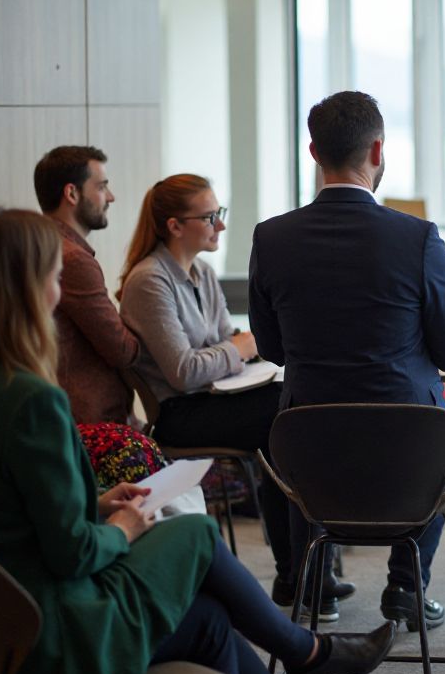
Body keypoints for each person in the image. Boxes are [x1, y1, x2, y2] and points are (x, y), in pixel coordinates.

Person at [0, 207, 393, 674]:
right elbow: (71, 553)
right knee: (194, 536)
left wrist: (95, 503)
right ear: (25, 289)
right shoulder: (31, 399)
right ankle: (307, 658)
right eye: (52, 276)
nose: (58, 288)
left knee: (211, 624)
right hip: (54, 632)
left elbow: (4, 507)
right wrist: (119, 527)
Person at [248, 90, 445, 631]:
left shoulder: (271, 238)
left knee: (300, 433)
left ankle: (315, 587)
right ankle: (405, 589)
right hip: (406, 455)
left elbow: (272, 349)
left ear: (313, 152)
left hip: (312, 454)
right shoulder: (418, 238)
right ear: (378, 150)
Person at [117, 174, 314, 615]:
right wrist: (241, 348)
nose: (220, 226)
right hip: (179, 412)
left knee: (287, 409)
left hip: (215, 399)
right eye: (210, 217)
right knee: (284, 419)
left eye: (218, 214)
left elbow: (226, 342)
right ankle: (299, 569)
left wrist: (241, 352)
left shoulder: (201, 272)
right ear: (173, 225)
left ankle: (299, 571)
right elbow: (185, 371)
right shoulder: (150, 281)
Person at [33, 145, 140, 425]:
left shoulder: (38, 244)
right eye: (102, 187)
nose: (111, 197)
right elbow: (122, 351)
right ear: (72, 193)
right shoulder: (72, 260)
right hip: (89, 422)